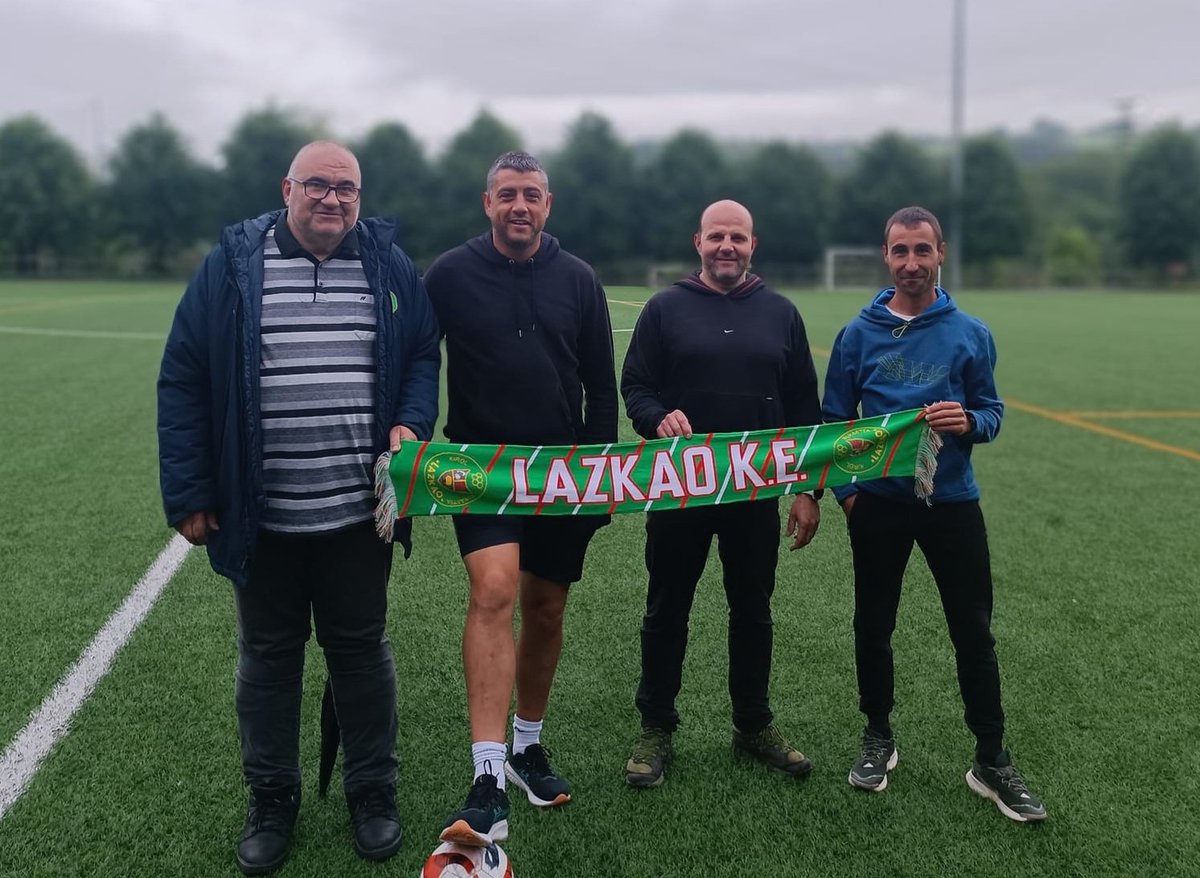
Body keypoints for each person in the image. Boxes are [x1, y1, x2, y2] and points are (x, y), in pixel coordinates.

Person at [157, 140, 441, 873]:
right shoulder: (232, 266)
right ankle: (272, 796)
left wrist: (412, 419)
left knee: (361, 654)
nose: (333, 200)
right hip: (264, 516)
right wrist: (189, 491)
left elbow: (420, 352)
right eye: (317, 185)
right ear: (287, 188)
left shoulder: (387, 264)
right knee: (268, 660)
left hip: (356, 515)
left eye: (347, 189)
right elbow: (184, 375)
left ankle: (372, 792)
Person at [822, 205, 1046, 822]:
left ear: (940, 252)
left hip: (951, 505)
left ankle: (992, 760)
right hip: (880, 507)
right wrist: (848, 496)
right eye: (900, 251)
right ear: (886, 257)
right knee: (873, 624)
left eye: (923, 250)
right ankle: (878, 737)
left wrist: (970, 422)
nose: (912, 263)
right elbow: (834, 424)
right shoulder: (857, 334)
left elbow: (992, 412)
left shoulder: (970, 332)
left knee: (972, 630)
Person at [422, 151, 618, 845]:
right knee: (495, 591)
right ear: (487, 203)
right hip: (481, 470)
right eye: (507, 194)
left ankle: (528, 747)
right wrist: (411, 438)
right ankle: (485, 772)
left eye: (531, 195)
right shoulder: (448, 274)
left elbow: (601, 380)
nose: (519, 206)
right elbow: (419, 357)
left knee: (546, 605)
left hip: (563, 473)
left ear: (548, 203)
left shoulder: (577, 278)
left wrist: (600, 473)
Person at [619, 199, 823, 789]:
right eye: (716, 236)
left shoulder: (781, 313)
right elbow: (635, 386)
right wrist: (657, 417)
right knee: (666, 609)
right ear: (698, 242)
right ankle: (656, 726)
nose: (726, 246)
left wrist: (809, 490)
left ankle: (753, 724)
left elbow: (806, 410)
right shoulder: (665, 309)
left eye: (737, 236)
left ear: (752, 244)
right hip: (679, 489)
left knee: (753, 611)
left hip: (753, 495)